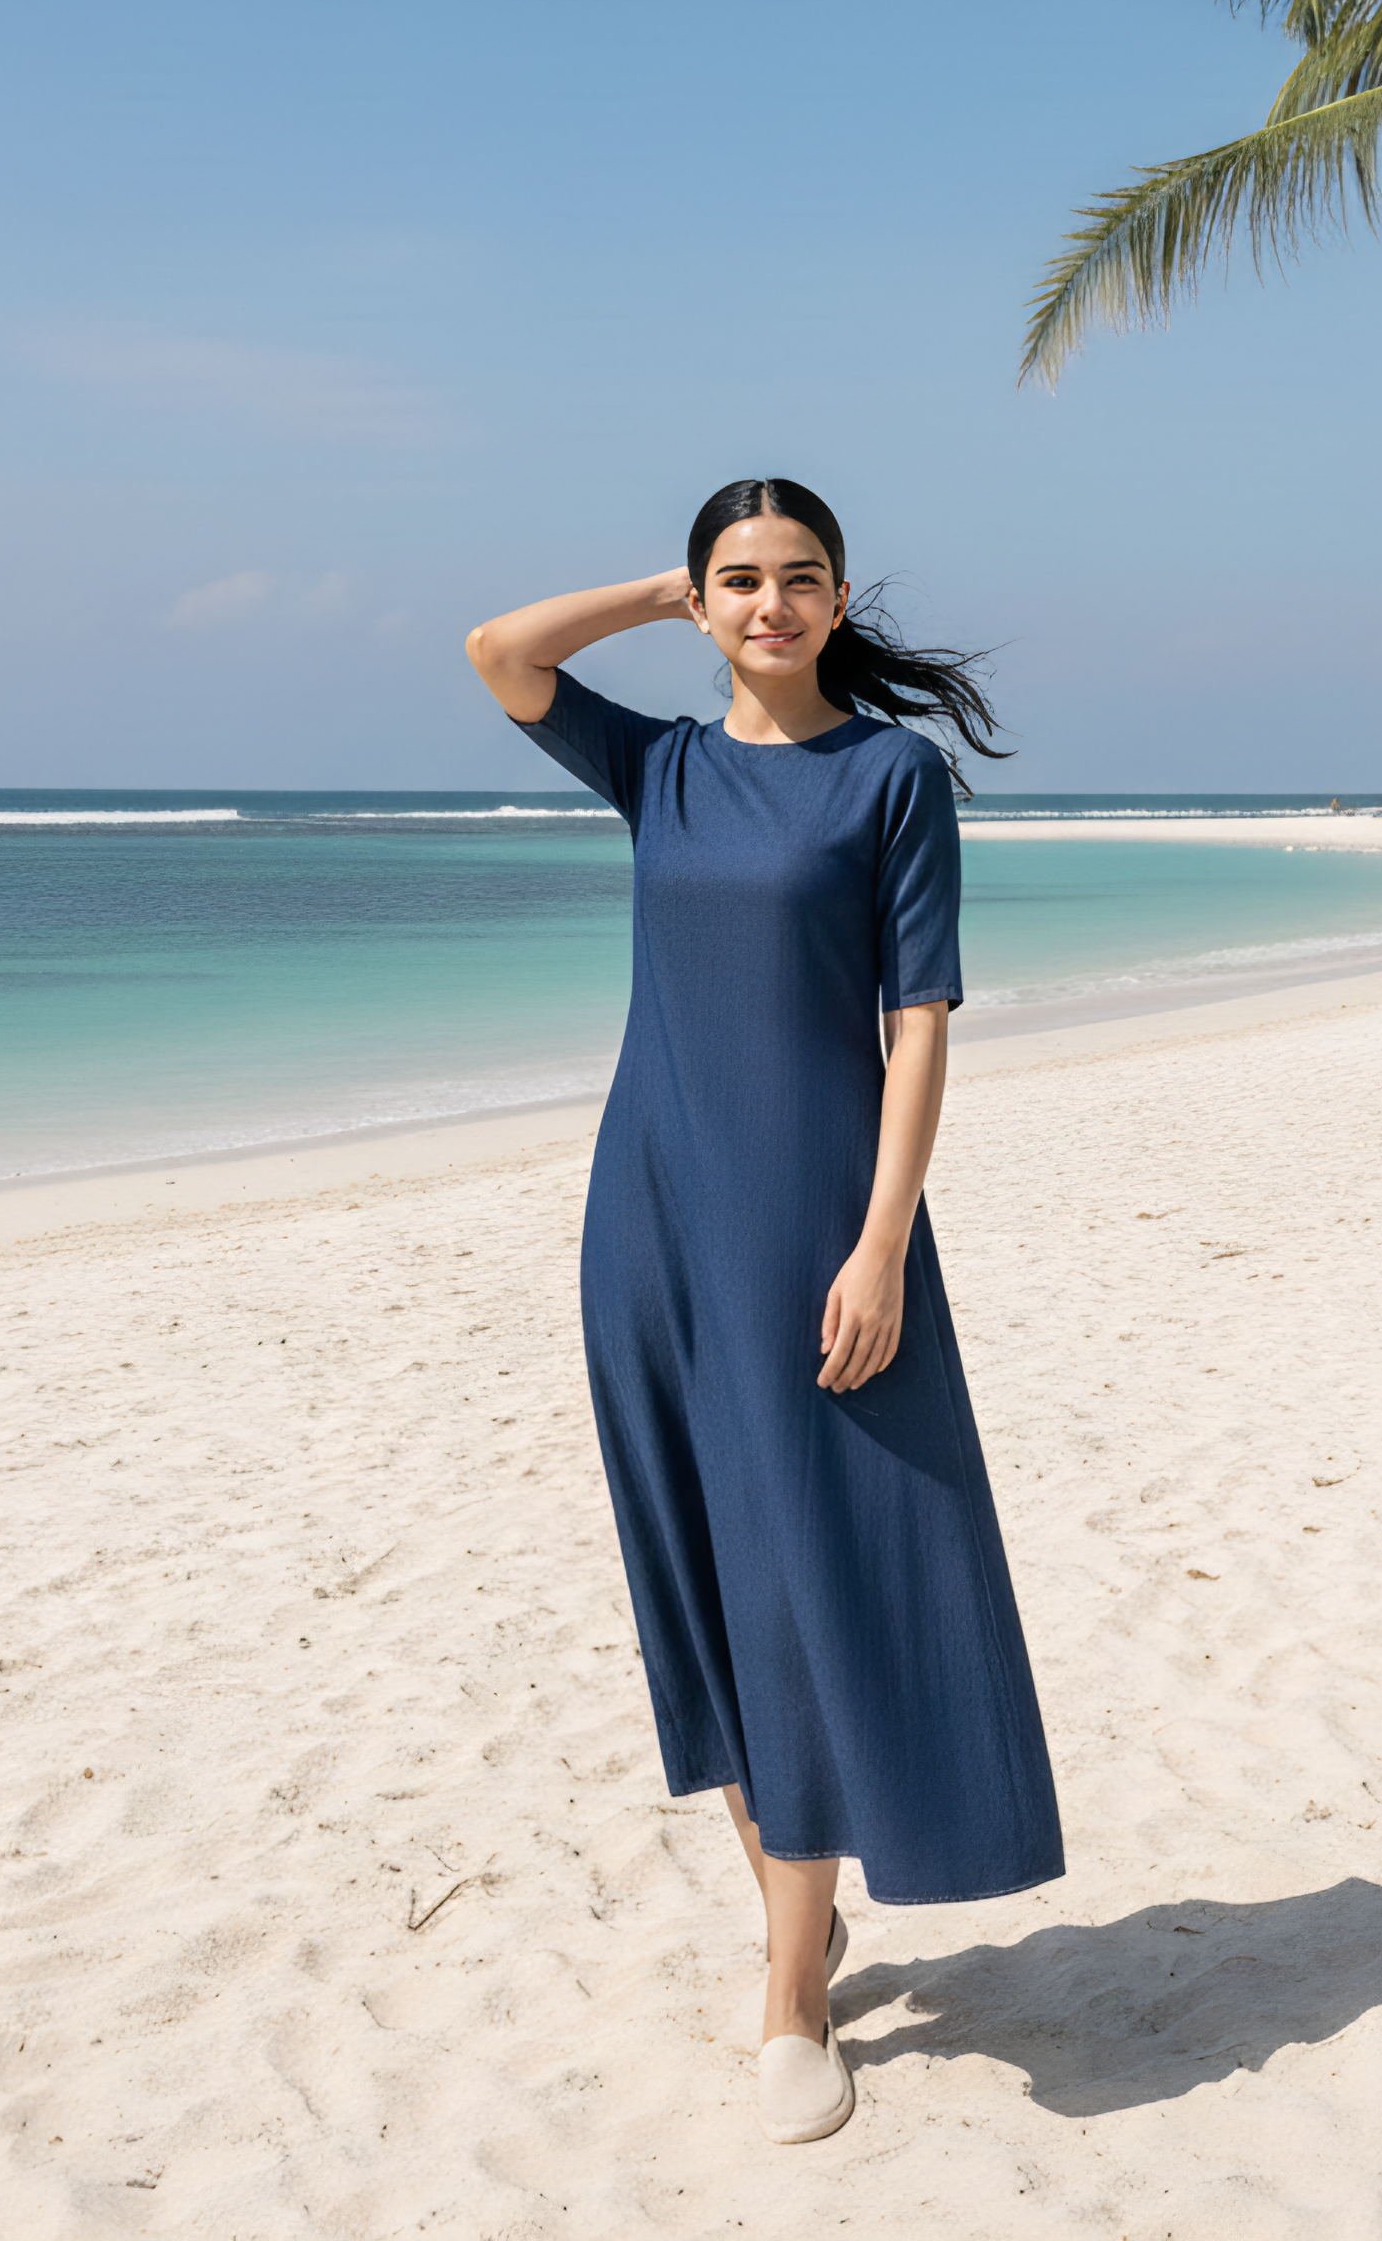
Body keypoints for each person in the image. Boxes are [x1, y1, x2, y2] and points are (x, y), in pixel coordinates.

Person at [465, 478, 1063, 2145]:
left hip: (819, 1227)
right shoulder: (657, 767)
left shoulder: (889, 776)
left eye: (798, 578)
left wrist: (881, 1244)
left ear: (840, 593)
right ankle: (797, 1923)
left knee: (817, 1581)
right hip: (650, 1226)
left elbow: (921, 1023)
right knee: (713, 1587)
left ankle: (794, 1985)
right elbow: (499, 650)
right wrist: (658, 593)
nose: (769, 604)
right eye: (740, 581)